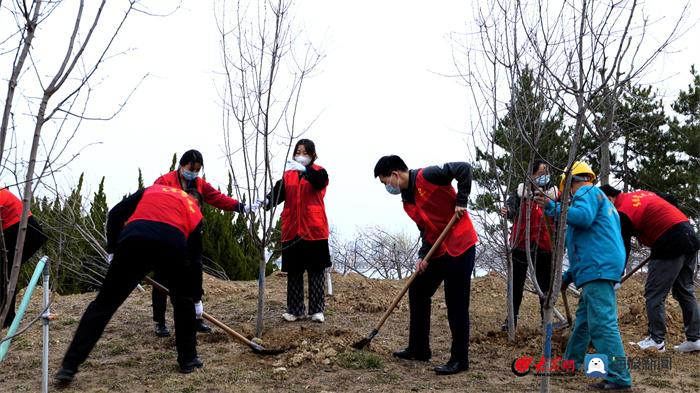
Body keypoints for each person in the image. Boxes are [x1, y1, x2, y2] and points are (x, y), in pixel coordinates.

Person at [55, 185, 205, 384]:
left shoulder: (152, 189)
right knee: (182, 301)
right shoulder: (193, 208)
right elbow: (195, 261)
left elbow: (115, 214)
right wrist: (194, 298)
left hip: (133, 240)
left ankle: (69, 366)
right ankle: (188, 359)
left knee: (103, 304)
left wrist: (113, 250)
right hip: (171, 243)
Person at [374, 155, 478, 376]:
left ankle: (460, 359)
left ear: (394, 175)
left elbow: (464, 169)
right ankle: (419, 348)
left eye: (385, 182)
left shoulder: (428, 175)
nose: (387, 187)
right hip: (438, 249)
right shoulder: (407, 200)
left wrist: (461, 201)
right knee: (419, 290)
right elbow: (425, 229)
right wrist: (423, 255)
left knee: (456, 302)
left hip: (460, 243)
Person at [535, 162, 632, 391]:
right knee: (584, 323)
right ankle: (570, 364)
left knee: (603, 324)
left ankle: (619, 377)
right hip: (596, 267)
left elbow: (583, 218)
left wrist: (552, 207)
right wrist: (568, 276)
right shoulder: (602, 201)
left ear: (569, 184)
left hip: (598, 268)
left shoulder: (586, 192)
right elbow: (590, 244)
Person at [151, 149, 253, 336]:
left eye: (198, 169)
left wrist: (241, 207)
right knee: (162, 277)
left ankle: (196, 317)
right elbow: (153, 201)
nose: (194, 172)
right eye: (191, 168)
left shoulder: (199, 184)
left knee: (194, 274)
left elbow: (217, 198)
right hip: (169, 235)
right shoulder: (165, 182)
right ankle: (160, 321)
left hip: (193, 234)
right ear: (182, 165)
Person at [599, 185, 700, 353]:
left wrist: (616, 275)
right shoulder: (640, 194)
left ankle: (656, 340)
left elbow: (622, 247)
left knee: (654, 293)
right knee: (684, 290)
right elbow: (669, 199)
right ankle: (695, 339)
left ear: (609, 199)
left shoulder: (623, 212)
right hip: (687, 232)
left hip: (670, 241)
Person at [261, 139, 330, 323]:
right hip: (292, 229)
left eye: (305, 153)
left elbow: (319, 184)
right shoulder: (288, 175)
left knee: (316, 270)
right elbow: (277, 194)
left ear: (313, 155)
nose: (301, 155)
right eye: (298, 152)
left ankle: (317, 310)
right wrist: (266, 201)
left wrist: (305, 171)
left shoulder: (319, 172)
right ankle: (295, 309)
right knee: (294, 271)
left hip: (314, 228)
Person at [499, 160, 558, 331]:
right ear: (531, 175)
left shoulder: (554, 194)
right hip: (520, 244)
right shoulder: (520, 192)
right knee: (516, 284)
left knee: (544, 286)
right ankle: (511, 319)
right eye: (540, 173)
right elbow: (511, 208)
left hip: (545, 246)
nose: (543, 176)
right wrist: (507, 211)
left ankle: (545, 321)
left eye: (546, 172)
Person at [0, 188, 48, 328]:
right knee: (5, 273)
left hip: (26, 231)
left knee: (5, 273)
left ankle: (7, 319)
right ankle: (6, 317)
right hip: (17, 230)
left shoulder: (1, 195)